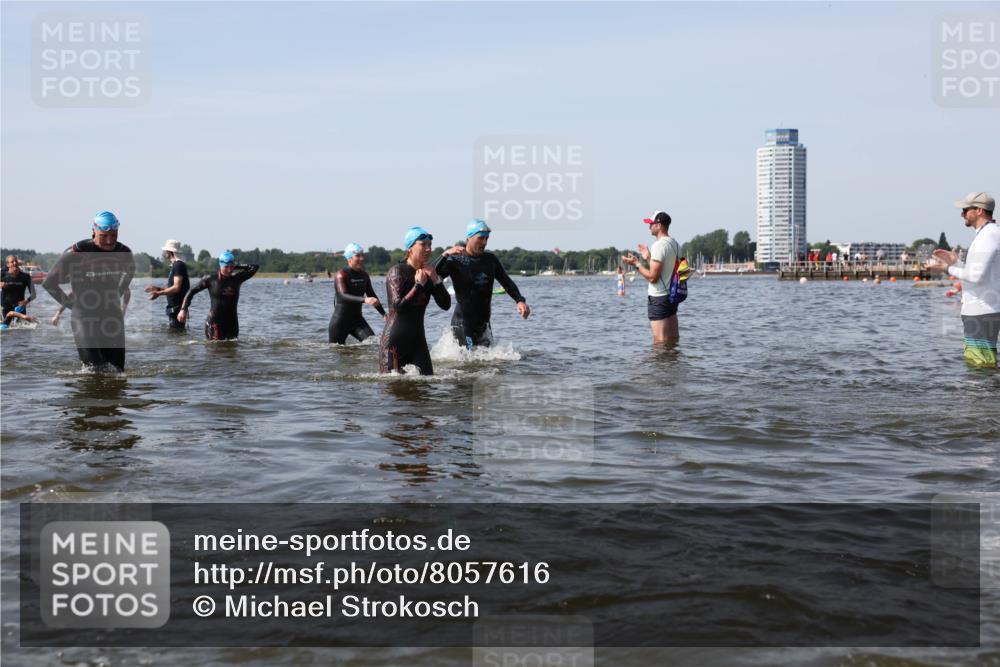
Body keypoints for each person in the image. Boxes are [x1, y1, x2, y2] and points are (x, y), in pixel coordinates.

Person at [42, 211, 134, 371]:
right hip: (84, 318)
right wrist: (71, 305)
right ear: (93, 231)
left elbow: (128, 276)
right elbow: (49, 283)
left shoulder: (124, 253)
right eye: (104, 235)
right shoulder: (76, 253)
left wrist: (115, 296)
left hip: (112, 316)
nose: (110, 240)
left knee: (118, 371)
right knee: (95, 370)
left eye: (114, 234)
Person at [433, 219, 529, 349]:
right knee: (470, 362)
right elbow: (431, 274)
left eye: (487, 238)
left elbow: (506, 282)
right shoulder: (455, 259)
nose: (484, 242)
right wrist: (445, 255)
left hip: (484, 324)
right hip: (463, 323)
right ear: (469, 237)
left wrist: (519, 300)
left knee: (488, 362)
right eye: (481, 238)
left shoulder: (490, 260)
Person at [932, 192, 1000, 367]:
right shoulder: (987, 234)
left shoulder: (988, 235)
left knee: (981, 365)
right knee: (978, 363)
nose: (962, 214)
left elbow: (975, 276)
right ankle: (983, 393)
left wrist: (947, 268)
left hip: (982, 311)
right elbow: (977, 273)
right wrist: (957, 262)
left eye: (965, 210)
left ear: (978, 210)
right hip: (981, 310)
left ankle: (983, 395)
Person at [379, 227, 450, 375]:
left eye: (430, 245)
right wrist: (418, 286)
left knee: (427, 387)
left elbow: (446, 305)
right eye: (423, 244)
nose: (428, 249)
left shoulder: (429, 273)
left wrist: (436, 279)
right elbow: (398, 307)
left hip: (418, 342)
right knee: (392, 392)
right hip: (394, 343)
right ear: (410, 248)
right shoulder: (397, 271)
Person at [622, 210, 681, 344]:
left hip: (659, 298)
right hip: (672, 296)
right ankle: (674, 365)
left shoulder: (659, 245)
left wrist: (636, 264)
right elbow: (665, 271)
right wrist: (649, 258)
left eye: (651, 224)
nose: (649, 227)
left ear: (659, 225)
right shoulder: (676, 244)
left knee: (660, 343)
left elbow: (653, 277)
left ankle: (659, 365)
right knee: (672, 341)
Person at [178, 251, 258, 340]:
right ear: (220, 265)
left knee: (232, 350)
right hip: (215, 322)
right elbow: (191, 291)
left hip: (232, 322)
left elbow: (254, 267)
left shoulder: (237, 279)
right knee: (215, 350)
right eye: (226, 267)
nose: (229, 270)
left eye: (231, 267)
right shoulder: (210, 279)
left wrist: (236, 265)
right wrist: (183, 309)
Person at [329, 243, 385, 344]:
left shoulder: (364, 275)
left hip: (358, 320)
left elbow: (372, 295)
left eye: (362, 255)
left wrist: (384, 314)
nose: (362, 258)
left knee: (373, 344)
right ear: (349, 258)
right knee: (336, 353)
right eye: (358, 256)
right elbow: (342, 295)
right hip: (340, 321)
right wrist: (364, 299)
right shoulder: (341, 275)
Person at [144, 240, 190, 330]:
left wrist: (159, 293)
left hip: (177, 309)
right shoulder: (176, 265)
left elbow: (176, 288)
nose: (164, 252)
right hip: (175, 309)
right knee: (176, 336)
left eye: (166, 250)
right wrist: (158, 288)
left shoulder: (178, 265)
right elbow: (173, 288)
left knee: (176, 335)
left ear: (170, 252)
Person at [1, 255, 36, 324]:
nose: (15, 263)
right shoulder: (2, 275)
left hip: (20, 307)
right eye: (12, 262)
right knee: (7, 330)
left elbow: (34, 294)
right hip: (6, 307)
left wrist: (26, 301)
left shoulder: (26, 277)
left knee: (21, 331)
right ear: (8, 265)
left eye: (16, 261)